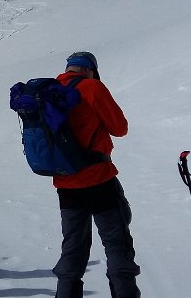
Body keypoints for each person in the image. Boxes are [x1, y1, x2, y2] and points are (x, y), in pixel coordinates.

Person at [52, 52, 140, 298]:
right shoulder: (92, 87)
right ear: (90, 70)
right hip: (99, 179)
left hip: (66, 183)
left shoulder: (50, 90)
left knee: (73, 247)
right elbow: (119, 128)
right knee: (116, 243)